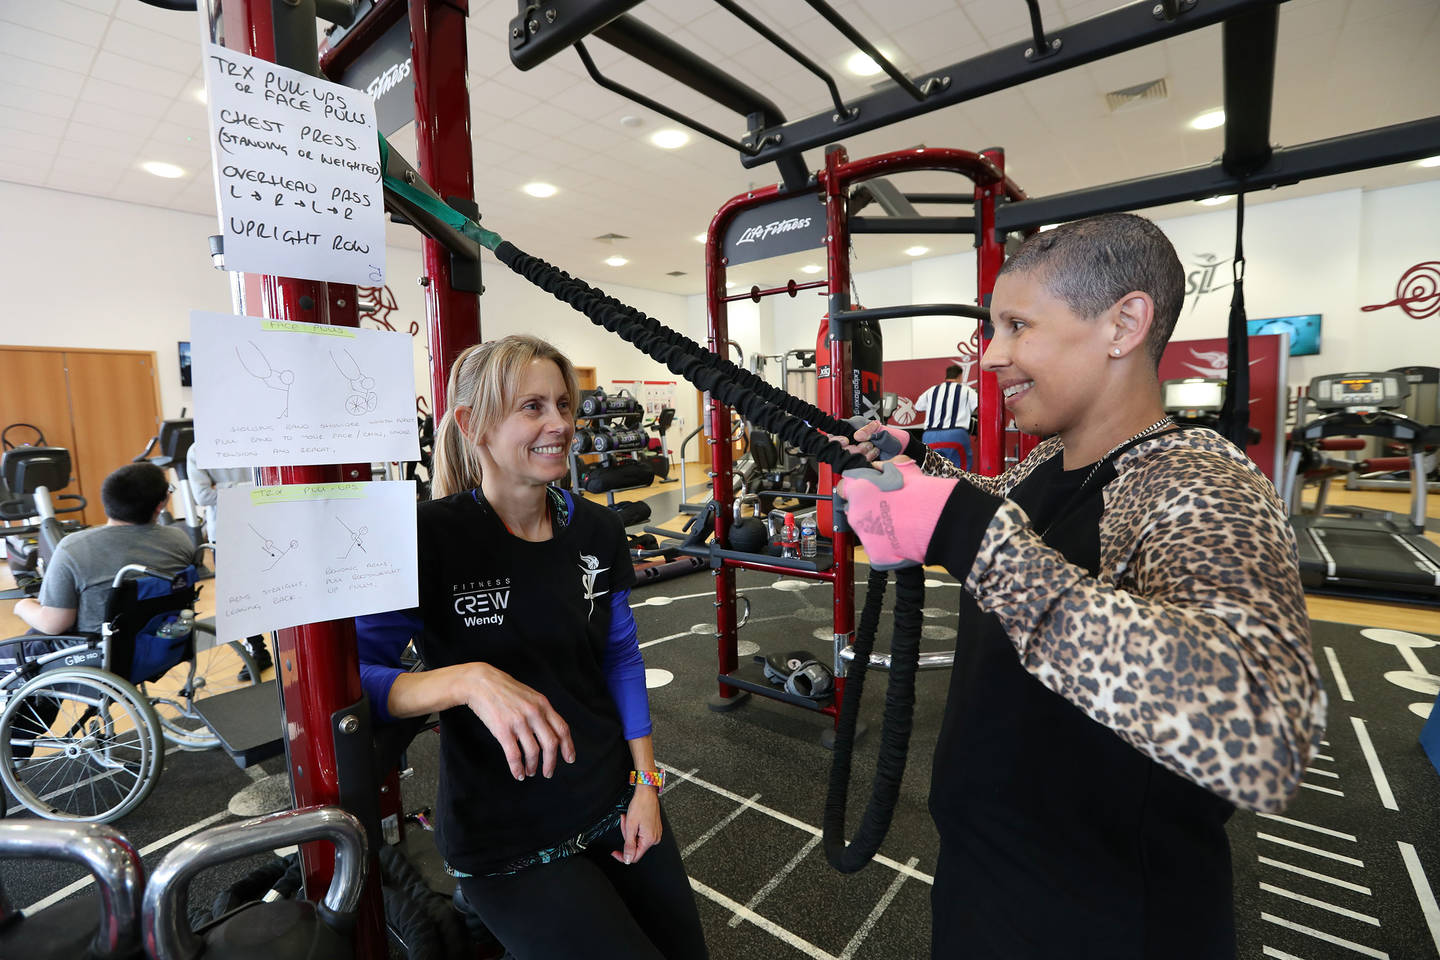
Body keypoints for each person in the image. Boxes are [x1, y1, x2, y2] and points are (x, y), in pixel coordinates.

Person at [837, 214, 1325, 959]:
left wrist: (968, 533)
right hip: (987, 876)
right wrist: (918, 473)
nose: (993, 356)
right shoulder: (1048, 463)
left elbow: (1264, 731)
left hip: (1107, 917)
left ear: (1124, 324)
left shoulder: (1198, 483)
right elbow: (1012, 512)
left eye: (1018, 326)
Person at [356, 335, 708, 960]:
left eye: (564, 405)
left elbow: (621, 658)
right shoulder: (426, 539)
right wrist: (468, 680)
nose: (561, 425)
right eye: (533, 407)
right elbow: (356, 678)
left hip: (612, 796)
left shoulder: (595, 526)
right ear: (473, 425)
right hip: (507, 837)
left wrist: (647, 783)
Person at [9, 462, 198, 640]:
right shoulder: (179, 539)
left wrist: (22, 606)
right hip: (158, 642)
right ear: (160, 504)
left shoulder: (73, 548)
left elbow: (54, 624)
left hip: (93, 652)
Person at [185, 445, 271, 680]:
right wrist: (250, 487)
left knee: (274, 587)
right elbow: (202, 495)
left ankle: (284, 647)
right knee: (239, 595)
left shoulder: (255, 438)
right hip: (226, 530)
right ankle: (257, 649)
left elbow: (273, 482)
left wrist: (224, 489)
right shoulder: (197, 450)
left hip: (267, 520)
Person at [912, 363, 978, 468]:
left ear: (946, 376)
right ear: (960, 376)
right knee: (960, 473)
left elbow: (918, 407)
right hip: (955, 435)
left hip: (930, 436)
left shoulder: (931, 390)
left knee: (932, 471)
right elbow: (980, 405)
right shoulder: (966, 390)